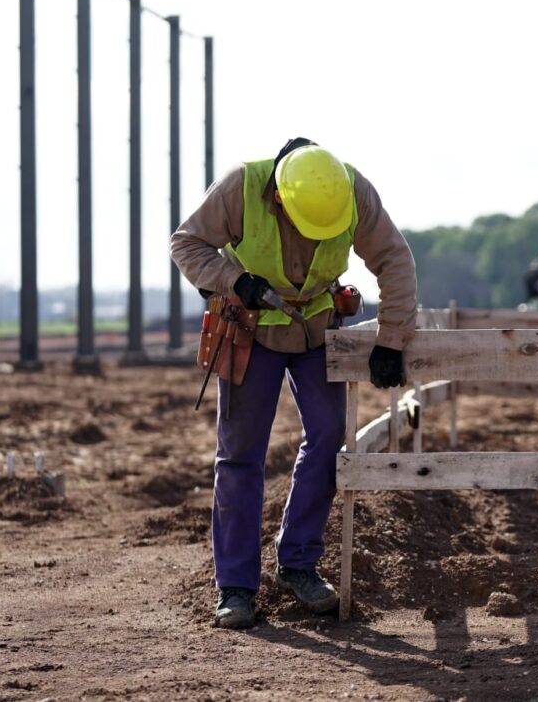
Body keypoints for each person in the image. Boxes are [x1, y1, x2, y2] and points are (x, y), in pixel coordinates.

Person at [170, 138, 417, 629]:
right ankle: (236, 587)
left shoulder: (350, 192)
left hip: (316, 329)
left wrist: (391, 339)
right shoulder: (242, 186)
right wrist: (233, 279)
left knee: (330, 439)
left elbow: (394, 260)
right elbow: (187, 243)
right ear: (279, 198)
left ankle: (298, 564)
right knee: (240, 454)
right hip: (250, 328)